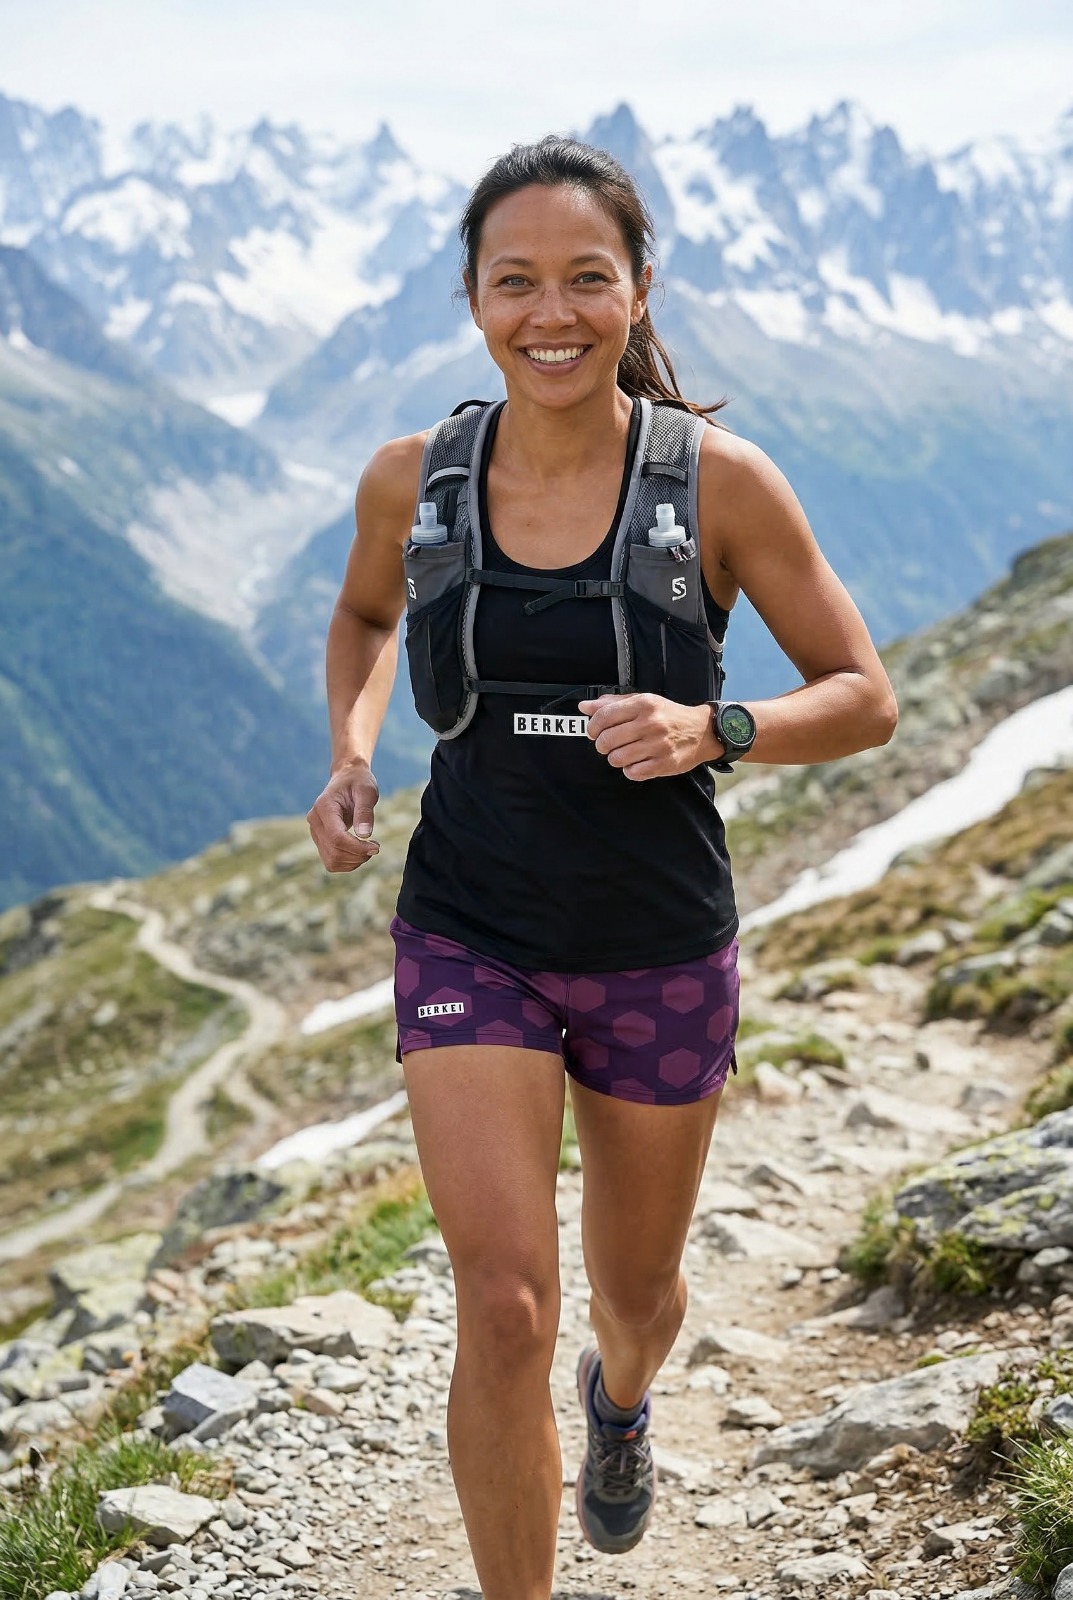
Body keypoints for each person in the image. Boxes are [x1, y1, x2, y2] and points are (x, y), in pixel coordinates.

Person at [306, 134, 898, 1600]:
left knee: (630, 1301)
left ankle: (620, 1405)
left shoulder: (719, 482)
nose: (548, 312)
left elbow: (864, 696)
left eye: (585, 277)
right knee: (502, 1304)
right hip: (469, 929)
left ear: (636, 291)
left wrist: (721, 724)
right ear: (471, 297)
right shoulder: (416, 477)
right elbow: (369, 620)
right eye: (516, 282)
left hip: (654, 942)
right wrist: (351, 751)